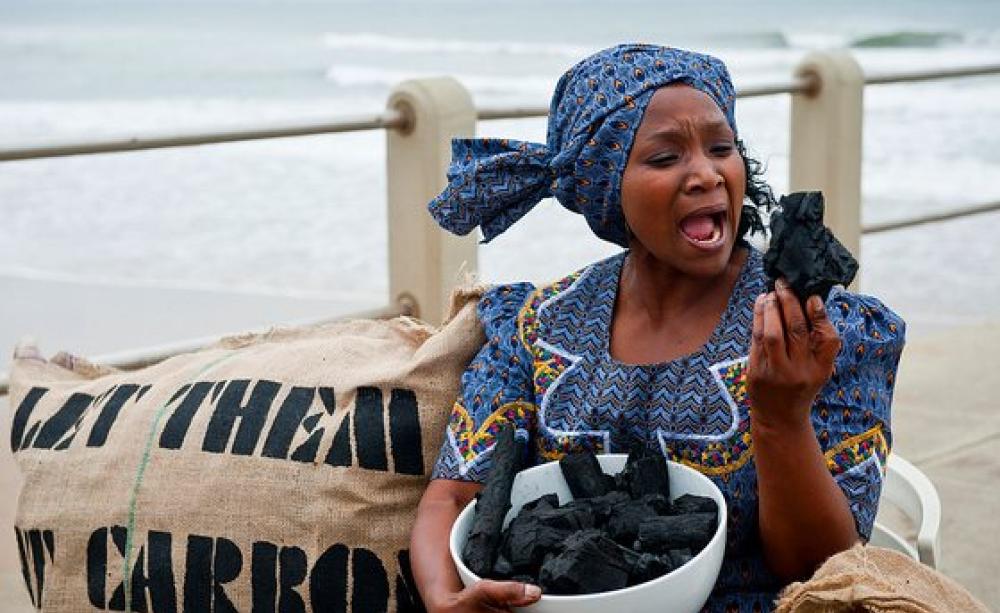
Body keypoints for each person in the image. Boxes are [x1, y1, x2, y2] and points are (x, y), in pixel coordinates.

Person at [409, 43, 905, 613]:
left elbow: (825, 569)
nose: (706, 174)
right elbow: (453, 497)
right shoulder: (536, 326)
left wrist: (780, 419)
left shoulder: (820, 330)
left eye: (722, 148)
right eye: (665, 158)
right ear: (607, 186)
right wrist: (445, 598)